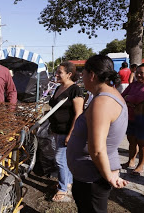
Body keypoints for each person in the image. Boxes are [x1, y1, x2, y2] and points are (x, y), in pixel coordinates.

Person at [67, 55, 128, 212]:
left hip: (92, 178)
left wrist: (108, 176)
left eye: (84, 74)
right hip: (91, 175)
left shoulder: (103, 102)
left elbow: (97, 149)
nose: (82, 77)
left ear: (92, 75)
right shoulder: (107, 96)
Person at [48, 62, 84, 202]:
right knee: (64, 158)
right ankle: (67, 181)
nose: (56, 74)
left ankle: (62, 189)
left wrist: (71, 133)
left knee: (60, 159)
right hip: (57, 129)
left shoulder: (75, 90)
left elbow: (78, 114)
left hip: (67, 131)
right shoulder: (59, 87)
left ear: (69, 74)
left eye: (59, 72)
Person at [121, 63, 144, 176]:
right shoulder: (134, 84)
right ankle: (131, 161)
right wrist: (129, 99)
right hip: (131, 117)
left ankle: (140, 166)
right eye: (137, 73)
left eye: (142, 73)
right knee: (131, 141)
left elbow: (139, 99)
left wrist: (129, 99)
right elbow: (123, 95)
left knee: (142, 143)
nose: (139, 75)